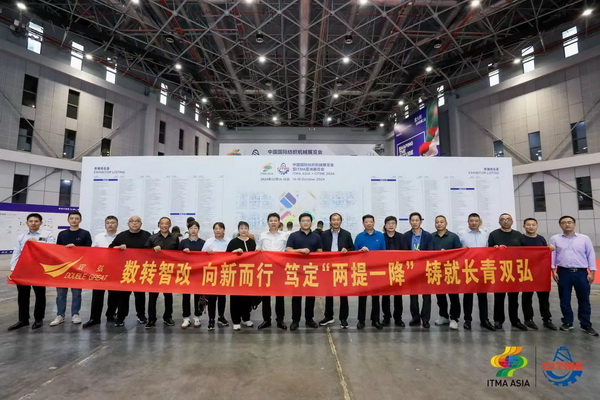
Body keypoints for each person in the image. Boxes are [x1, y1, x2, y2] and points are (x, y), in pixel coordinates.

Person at [550, 216, 598, 336]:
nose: (567, 224)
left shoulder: (584, 238)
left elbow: (590, 254)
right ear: (560, 225)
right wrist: (553, 270)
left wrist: (592, 272)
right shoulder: (555, 238)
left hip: (581, 273)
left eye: (569, 222)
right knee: (564, 298)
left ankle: (585, 324)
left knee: (584, 299)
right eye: (564, 223)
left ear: (574, 224)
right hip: (563, 272)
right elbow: (552, 255)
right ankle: (567, 322)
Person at [8, 213, 56, 331]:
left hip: (39, 269)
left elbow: (52, 250)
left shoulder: (47, 235)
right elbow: (16, 253)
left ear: (41, 223)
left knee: (40, 294)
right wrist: (13, 269)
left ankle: (38, 319)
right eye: (31, 221)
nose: (33, 223)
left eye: (36, 221)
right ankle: (23, 319)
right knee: (22, 295)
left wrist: (36, 243)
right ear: (27, 223)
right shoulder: (21, 237)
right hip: (23, 269)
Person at [50, 211, 92, 326]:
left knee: (76, 293)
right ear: (68, 220)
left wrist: (76, 248)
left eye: (76, 218)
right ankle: (60, 315)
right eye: (72, 218)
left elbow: (89, 250)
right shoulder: (62, 234)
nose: (74, 220)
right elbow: (57, 250)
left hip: (77, 268)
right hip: (63, 268)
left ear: (80, 220)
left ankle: (75, 314)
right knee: (61, 294)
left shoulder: (85, 233)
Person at [488, 213, 528, 331]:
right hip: (499, 270)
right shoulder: (494, 234)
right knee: (499, 297)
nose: (505, 221)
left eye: (508, 219)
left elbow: (526, 251)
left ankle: (515, 320)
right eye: (503, 219)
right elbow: (488, 251)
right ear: (499, 222)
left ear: (512, 221)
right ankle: (498, 320)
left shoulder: (518, 235)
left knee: (514, 298)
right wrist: (495, 248)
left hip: (514, 271)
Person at [109, 216, 151, 326]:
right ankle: (121, 317)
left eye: (137, 221)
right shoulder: (122, 236)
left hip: (141, 270)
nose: (134, 223)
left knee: (140, 295)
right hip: (126, 271)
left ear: (141, 224)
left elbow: (152, 250)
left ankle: (141, 315)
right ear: (128, 223)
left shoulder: (147, 235)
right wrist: (118, 247)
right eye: (132, 221)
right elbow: (110, 249)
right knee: (123, 296)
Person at [286, 213, 323, 331]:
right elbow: (288, 250)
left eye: (308, 221)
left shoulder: (316, 236)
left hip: (311, 270)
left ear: (311, 223)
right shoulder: (293, 236)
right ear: (300, 223)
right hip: (296, 270)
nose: (305, 223)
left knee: (310, 296)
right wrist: (300, 251)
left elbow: (320, 251)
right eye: (303, 221)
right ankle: (295, 320)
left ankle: (309, 319)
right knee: (296, 297)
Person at [459, 213, 495, 331]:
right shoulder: (462, 235)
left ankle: (484, 320)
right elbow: (457, 251)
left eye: (476, 221)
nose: (474, 223)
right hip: (468, 269)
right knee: (467, 296)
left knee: (483, 296)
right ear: (468, 222)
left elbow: (490, 250)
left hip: (482, 269)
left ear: (479, 222)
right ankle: (467, 320)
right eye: (471, 221)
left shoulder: (485, 235)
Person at [82, 215, 119, 328]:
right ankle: (94, 318)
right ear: (105, 224)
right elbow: (93, 252)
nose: (110, 225)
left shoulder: (121, 237)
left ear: (117, 224)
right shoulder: (98, 237)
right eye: (108, 223)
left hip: (115, 269)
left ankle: (111, 314)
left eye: (112, 222)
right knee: (97, 294)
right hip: (100, 270)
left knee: (114, 294)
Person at [319, 213, 354, 329]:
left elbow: (352, 248)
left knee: (343, 294)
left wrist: (347, 250)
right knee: (329, 293)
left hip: (341, 267)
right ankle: (328, 316)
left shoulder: (346, 234)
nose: (335, 222)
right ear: (330, 222)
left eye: (338, 220)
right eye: (333, 220)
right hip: (328, 267)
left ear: (341, 221)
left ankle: (343, 318)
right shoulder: (324, 234)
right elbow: (320, 249)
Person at [520, 217, 556, 331]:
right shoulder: (520, 239)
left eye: (533, 225)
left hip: (541, 272)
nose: (531, 227)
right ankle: (528, 319)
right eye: (528, 225)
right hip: (526, 272)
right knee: (527, 297)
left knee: (544, 297)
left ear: (537, 226)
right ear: (524, 226)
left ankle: (547, 319)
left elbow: (545, 255)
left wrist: (549, 248)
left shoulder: (541, 239)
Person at [144, 217, 179, 329]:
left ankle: (168, 317)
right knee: (152, 296)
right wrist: (153, 250)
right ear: (159, 225)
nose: (164, 225)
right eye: (162, 223)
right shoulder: (152, 238)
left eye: (166, 224)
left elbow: (178, 254)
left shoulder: (174, 238)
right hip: (155, 271)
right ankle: (151, 319)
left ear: (170, 225)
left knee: (168, 296)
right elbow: (144, 254)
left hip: (168, 271)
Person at [256, 213, 288, 330]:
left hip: (280, 269)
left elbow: (288, 250)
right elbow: (257, 249)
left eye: (275, 220)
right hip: (266, 269)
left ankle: (280, 320)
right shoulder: (262, 235)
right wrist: (258, 250)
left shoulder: (285, 235)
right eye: (271, 220)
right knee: (265, 297)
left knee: (280, 296)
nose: (273, 222)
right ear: (268, 222)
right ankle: (266, 320)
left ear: (279, 222)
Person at [402, 212, 433, 328]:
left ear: (420, 222)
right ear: (410, 222)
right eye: (412, 220)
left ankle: (425, 319)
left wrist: (422, 255)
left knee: (426, 295)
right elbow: (403, 252)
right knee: (413, 295)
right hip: (411, 269)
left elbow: (431, 251)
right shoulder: (406, 236)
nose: (414, 222)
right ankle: (415, 317)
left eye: (417, 220)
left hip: (425, 269)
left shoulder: (427, 236)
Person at [355, 214, 386, 330]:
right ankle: (361, 320)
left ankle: (376, 320)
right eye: (366, 222)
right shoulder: (359, 237)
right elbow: (353, 253)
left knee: (376, 297)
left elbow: (384, 252)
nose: (368, 224)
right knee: (362, 297)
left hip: (376, 271)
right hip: (362, 270)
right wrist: (360, 251)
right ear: (363, 223)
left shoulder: (380, 236)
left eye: (370, 222)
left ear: (374, 223)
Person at [432, 215, 462, 330]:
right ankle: (443, 316)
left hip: (451, 270)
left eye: (441, 222)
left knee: (453, 295)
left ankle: (454, 318)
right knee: (440, 295)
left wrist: (447, 254)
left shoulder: (453, 237)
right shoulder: (431, 237)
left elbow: (459, 253)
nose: (439, 224)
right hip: (437, 270)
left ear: (446, 223)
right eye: (437, 222)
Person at [227, 221, 256, 331]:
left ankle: (246, 318)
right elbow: (226, 256)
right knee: (235, 298)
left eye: (245, 228)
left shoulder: (252, 242)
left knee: (247, 298)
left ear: (248, 229)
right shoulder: (233, 242)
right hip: (236, 275)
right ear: (238, 230)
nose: (243, 230)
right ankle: (236, 320)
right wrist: (234, 252)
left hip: (248, 274)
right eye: (241, 228)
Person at [202, 222, 231, 330]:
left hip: (224, 272)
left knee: (222, 297)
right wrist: (207, 253)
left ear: (224, 230)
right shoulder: (209, 242)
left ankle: (221, 317)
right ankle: (211, 319)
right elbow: (201, 255)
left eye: (220, 228)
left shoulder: (229, 241)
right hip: (212, 273)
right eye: (216, 229)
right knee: (212, 298)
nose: (218, 230)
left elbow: (233, 254)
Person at [179, 221, 206, 328]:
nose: (193, 230)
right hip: (186, 272)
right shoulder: (183, 242)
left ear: (198, 229)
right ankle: (186, 317)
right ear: (188, 229)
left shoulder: (203, 242)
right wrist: (183, 253)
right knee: (185, 295)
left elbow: (206, 257)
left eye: (195, 228)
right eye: (191, 228)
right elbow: (176, 257)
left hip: (198, 273)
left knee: (198, 295)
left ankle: (197, 317)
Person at [381, 216, 404, 327]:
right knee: (385, 295)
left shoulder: (401, 237)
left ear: (396, 225)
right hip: (385, 269)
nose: (391, 225)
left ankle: (398, 318)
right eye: (388, 223)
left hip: (398, 269)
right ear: (385, 225)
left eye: (393, 223)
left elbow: (406, 253)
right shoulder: (381, 237)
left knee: (398, 295)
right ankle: (386, 317)